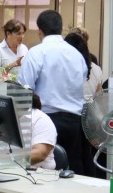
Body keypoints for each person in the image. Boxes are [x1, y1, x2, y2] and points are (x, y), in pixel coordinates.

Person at [18, 10, 89, 176]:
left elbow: (24, 89)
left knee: (46, 173)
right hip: (74, 122)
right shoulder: (77, 55)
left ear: (40, 31)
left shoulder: (36, 53)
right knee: (72, 171)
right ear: (61, 28)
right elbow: (82, 82)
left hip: (46, 121)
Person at [64, 31, 103, 102]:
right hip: (90, 108)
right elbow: (98, 98)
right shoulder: (97, 69)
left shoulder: (64, 68)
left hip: (67, 108)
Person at [28, 92, 57, 171]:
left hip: (36, 173)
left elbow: (39, 154)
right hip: (6, 170)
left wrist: (5, 160)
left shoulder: (40, 119)